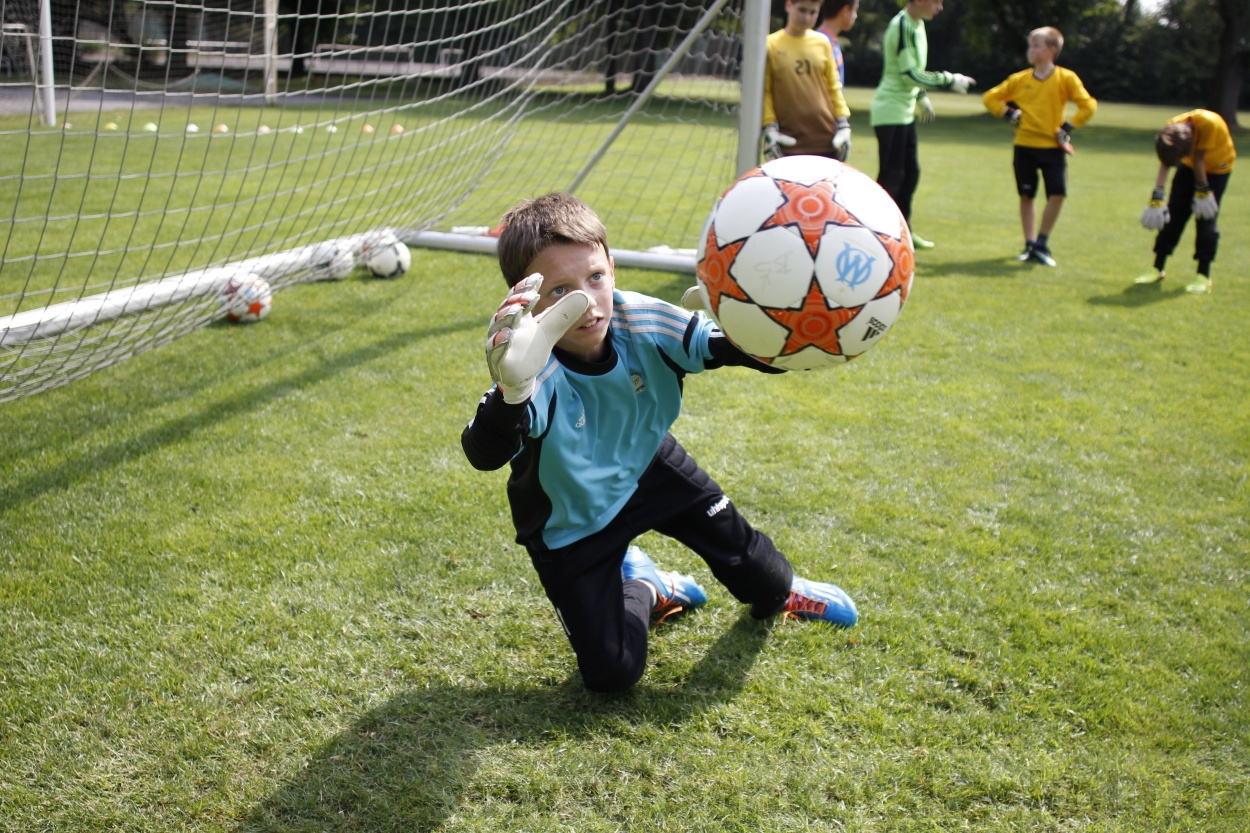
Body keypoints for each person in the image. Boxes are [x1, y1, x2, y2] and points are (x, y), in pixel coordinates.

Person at [461, 193, 858, 693]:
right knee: (611, 676)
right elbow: (484, 453)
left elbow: (724, 350)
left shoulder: (642, 318)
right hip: (572, 518)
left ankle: (783, 592)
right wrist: (511, 393)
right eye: (560, 291)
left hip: (649, 463)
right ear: (526, 300)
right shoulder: (526, 365)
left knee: (759, 571)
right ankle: (647, 584)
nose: (585, 302)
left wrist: (780, 333)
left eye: (595, 278)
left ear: (613, 268)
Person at [981, 26, 1097, 268]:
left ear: (1052, 50)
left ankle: (1042, 243)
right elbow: (990, 97)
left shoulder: (1066, 78)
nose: (1031, 50)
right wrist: (1008, 113)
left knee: (1058, 193)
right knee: (1027, 195)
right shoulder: (1020, 79)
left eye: (1037, 45)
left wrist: (1068, 126)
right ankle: (1030, 244)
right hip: (1024, 145)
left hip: (1053, 148)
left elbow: (1088, 106)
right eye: (1030, 45)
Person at [869, 0, 975, 249]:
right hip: (890, 110)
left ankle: (903, 230)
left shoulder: (917, 25)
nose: (940, 6)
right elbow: (909, 74)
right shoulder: (904, 25)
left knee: (911, 173)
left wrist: (921, 98)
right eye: (936, 1)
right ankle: (875, 232)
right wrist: (950, 79)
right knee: (892, 175)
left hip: (904, 112)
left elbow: (909, 71)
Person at [1136, 110, 1235, 294]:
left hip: (1217, 169)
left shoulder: (1209, 123)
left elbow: (1199, 159)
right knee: (1172, 215)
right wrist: (1157, 195)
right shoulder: (1172, 128)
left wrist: (1203, 191)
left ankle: (1203, 275)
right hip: (1191, 167)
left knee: (1205, 220)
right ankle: (1157, 268)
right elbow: (1166, 160)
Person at [762, 0, 852, 161]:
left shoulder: (822, 43)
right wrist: (769, 127)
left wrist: (843, 124)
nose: (807, 17)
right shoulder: (770, 44)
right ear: (789, 5)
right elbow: (765, 91)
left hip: (827, 141)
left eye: (813, 12)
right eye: (802, 10)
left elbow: (834, 87)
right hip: (788, 142)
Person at [815, 0, 860, 92]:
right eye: (855, 10)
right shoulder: (823, 44)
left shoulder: (830, 41)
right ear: (845, 11)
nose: (856, 16)